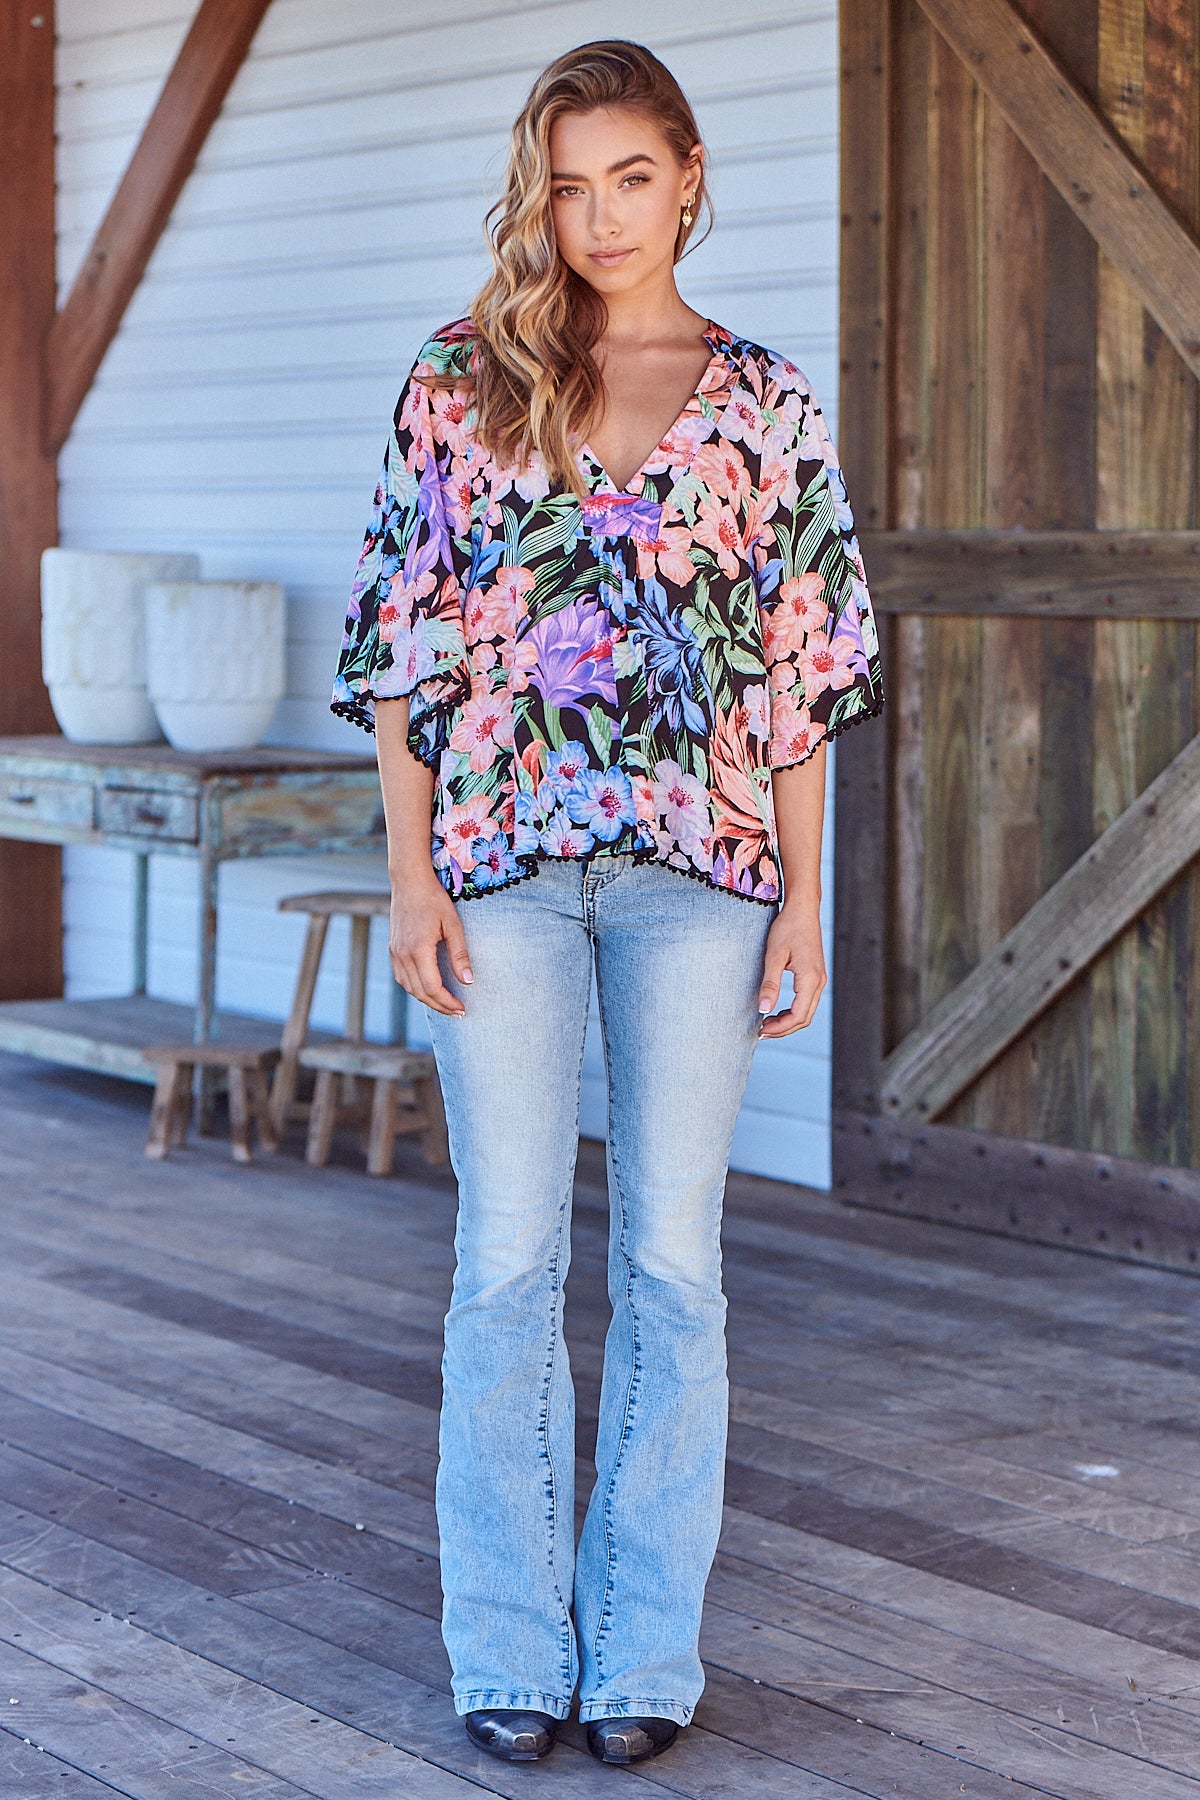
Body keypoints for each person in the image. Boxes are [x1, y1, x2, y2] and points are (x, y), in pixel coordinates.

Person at [331, 37, 884, 1769]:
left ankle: (642, 1653)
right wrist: (411, 870)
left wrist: (804, 903)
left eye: (632, 179)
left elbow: (804, 675)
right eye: (569, 187)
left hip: (702, 881)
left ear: (691, 178)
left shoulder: (768, 402)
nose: (601, 218)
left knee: (670, 1262)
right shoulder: (461, 374)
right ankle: (508, 1645)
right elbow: (401, 646)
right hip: (497, 868)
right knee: (505, 1258)